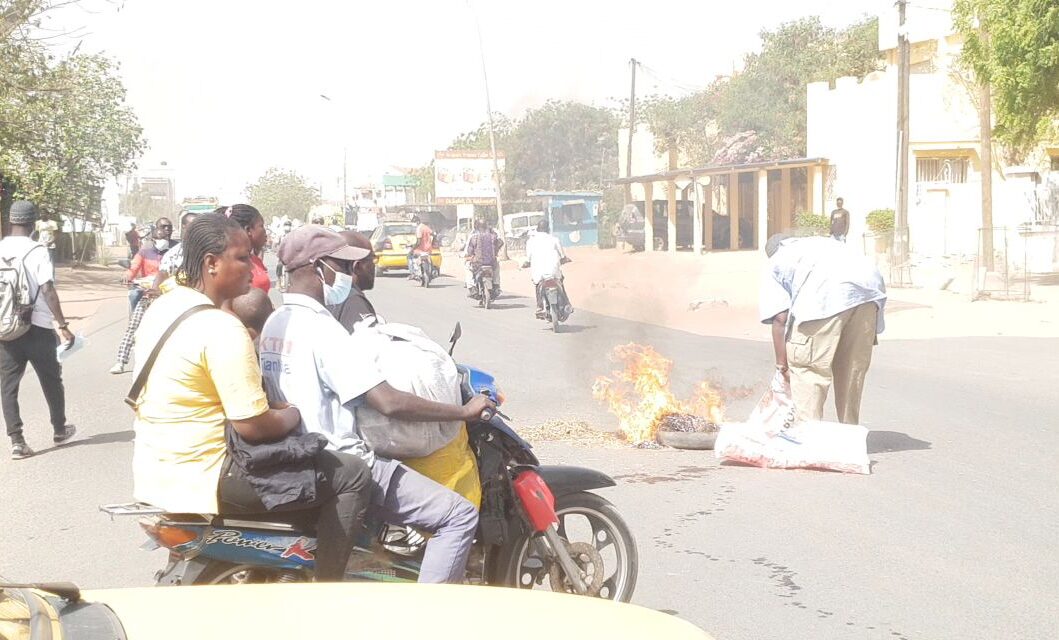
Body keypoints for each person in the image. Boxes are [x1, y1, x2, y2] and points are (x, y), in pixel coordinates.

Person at [131, 213, 371, 581]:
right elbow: (254, 426)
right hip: (206, 473)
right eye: (242, 258)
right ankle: (328, 591)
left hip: (155, 466)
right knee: (352, 474)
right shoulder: (221, 328)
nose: (253, 268)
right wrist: (291, 413)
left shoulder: (163, 306)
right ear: (212, 264)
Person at [260, 225, 492, 583]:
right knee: (457, 516)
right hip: (345, 462)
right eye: (341, 265)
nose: (349, 274)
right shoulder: (322, 329)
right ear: (318, 267)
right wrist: (463, 411)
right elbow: (389, 402)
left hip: (300, 454)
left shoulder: (277, 322)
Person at [330, 230, 480, 506]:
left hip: (337, 424)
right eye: (371, 260)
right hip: (352, 437)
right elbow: (386, 385)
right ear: (356, 265)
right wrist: (462, 412)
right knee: (457, 516)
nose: (374, 266)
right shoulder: (352, 300)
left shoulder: (322, 303)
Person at [760, 233, 887, 425]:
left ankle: (808, 438)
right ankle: (848, 435)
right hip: (869, 295)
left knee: (808, 369)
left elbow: (780, 317)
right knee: (851, 370)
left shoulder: (778, 258)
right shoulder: (821, 244)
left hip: (826, 296)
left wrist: (782, 366)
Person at [0, 201, 76, 460]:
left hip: (7, 328)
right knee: (51, 380)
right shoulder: (38, 250)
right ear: (33, 224)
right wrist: (63, 325)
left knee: (8, 386)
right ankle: (59, 429)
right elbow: (47, 290)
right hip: (38, 326)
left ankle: (17, 441)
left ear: (11, 221)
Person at [111, 218, 176, 375]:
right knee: (134, 322)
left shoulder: (176, 251)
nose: (165, 235)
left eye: (168, 230)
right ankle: (121, 361)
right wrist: (128, 275)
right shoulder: (145, 251)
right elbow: (133, 267)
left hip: (170, 295)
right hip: (149, 294)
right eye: (161, 234)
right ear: (153, 238)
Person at [330, 230, 383, 330]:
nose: (374, 265)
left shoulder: (325, 294)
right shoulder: (353, 302)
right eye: (372, 259)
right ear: (358, 266)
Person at [523, 219, 572, 319]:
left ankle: (540, 307)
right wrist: (565, 259)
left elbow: (528, 259)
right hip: (554, 271)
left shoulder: (531, 241)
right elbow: (563, 256)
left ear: (537, 229)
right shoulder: (554, 239)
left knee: (537, 285)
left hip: (539, 274)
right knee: (561, 282)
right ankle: (566, 304)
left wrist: (526, 264)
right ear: (548, 229)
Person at [123, 218, 173, 313]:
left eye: (169, 227)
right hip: (148, 287)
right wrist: (128, 275)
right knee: (134, 295)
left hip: (170, 286)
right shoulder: (145, 249)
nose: (167, 229)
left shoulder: (177, 249)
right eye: (163, 227)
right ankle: (135, 324)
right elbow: (134, 266)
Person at [220, 204, 270, 293]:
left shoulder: (255, 260)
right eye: (261, 226)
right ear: (248, 230)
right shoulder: (231, 264)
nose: (265, 232)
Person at [464, 219, 502, 297]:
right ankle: (496, 285)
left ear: (476, 227)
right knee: (497, 266)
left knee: (467, 266)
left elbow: (469, 251)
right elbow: (500, 242)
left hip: (477, 264)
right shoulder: (493, 236)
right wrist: (496, 252)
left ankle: (472, 288)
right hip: (491, 263)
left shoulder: (474, 237)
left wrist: (469, 256)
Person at [407, 215, 434, 281]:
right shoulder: (425, 227)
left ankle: (412, 273)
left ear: (417, 222)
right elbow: (433, 234)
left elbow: (418, 242)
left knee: (409, 256)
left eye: (414, 223)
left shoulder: (419, 228)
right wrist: (432, 243)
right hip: (428, 249)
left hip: (420, 249)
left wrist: (413, 248)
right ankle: (432, 271)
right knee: (430, 260)